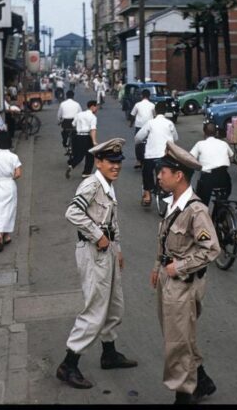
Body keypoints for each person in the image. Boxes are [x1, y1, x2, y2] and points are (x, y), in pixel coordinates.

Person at [56, 138, 137, 389]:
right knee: (95, 309)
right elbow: (73, 212)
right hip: (93, 251)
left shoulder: (108, 185)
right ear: (99, 162)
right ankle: (69, 364)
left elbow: (111, 222)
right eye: (111, 162)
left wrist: (117, 247)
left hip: (106, 250)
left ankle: (109, 353)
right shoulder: (91, 184)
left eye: (118, 162)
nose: (116, 166)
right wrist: (98, 236)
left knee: (115, 305)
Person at [149, 141, 220, 404]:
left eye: (163, 172)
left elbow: (211, 249)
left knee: (177, 342)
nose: (158, 176)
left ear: (178, 175)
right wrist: (158, 267)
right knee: (179, 335)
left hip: (184, 284)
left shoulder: (195, 209)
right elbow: (166, 239)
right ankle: (202, 381)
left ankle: (184, 395)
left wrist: (177, 267)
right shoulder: (174, 203)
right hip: (169, 281)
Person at [134, 101, 178, 206]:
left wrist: (138, 142)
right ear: (166, 112)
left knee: (147, 173)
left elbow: (138, 137)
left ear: (155, 111)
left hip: (151, 155)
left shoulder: (150, 123)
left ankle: (148, 195)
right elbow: (176, 138)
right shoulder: (169, 123)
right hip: (166, 155)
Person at [190, 122, 234, 206]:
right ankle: (221, 211)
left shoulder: (200, 144)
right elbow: (231, 157)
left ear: (204, 133)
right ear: (216, 133)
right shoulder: (224, 143)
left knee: (202, 204)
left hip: (208, 178)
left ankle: (204, 215)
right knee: (223, 199)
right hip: (224, 177)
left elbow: (190, 158)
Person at [66, 100, 99, 179]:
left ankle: (71, 165)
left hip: (77, 137)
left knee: (79, 155)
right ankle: (86, 173)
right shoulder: (93, 117)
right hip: (86, 137)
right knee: (90, 155)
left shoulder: (79, 114)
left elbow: (73, 124)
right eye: (96, 107)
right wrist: (94, 141)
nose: (97, 109)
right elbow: (93, 130)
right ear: (92, 107)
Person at [130, 89, 156, 170]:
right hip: (150, 126)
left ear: (141, 96)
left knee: (138, 143)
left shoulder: (137, 104)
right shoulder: (152, 105)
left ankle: (138, 160)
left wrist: (131, 124)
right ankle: (150, 158)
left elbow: (132, 115)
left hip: (139, 126)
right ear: (149, 96)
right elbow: (155, 116)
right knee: (150, 142)